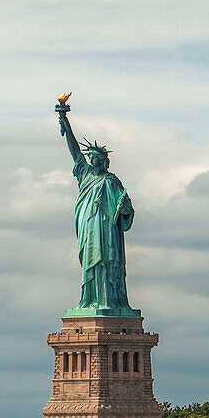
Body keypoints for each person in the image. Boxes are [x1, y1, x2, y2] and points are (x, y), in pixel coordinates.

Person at [57, 102, 135, 312]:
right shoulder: (85, 174)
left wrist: (125, 208)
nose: (91, 161)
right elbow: (74, 151)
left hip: (107, 231)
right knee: (91, 262)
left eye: (95, 158)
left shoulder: (112, 181)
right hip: (88, 228)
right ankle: (90, 300)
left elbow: (126, 210)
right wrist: (65, 121)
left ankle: (109, 301)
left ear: (104, 161)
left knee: (107, 264)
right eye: (90, 158)